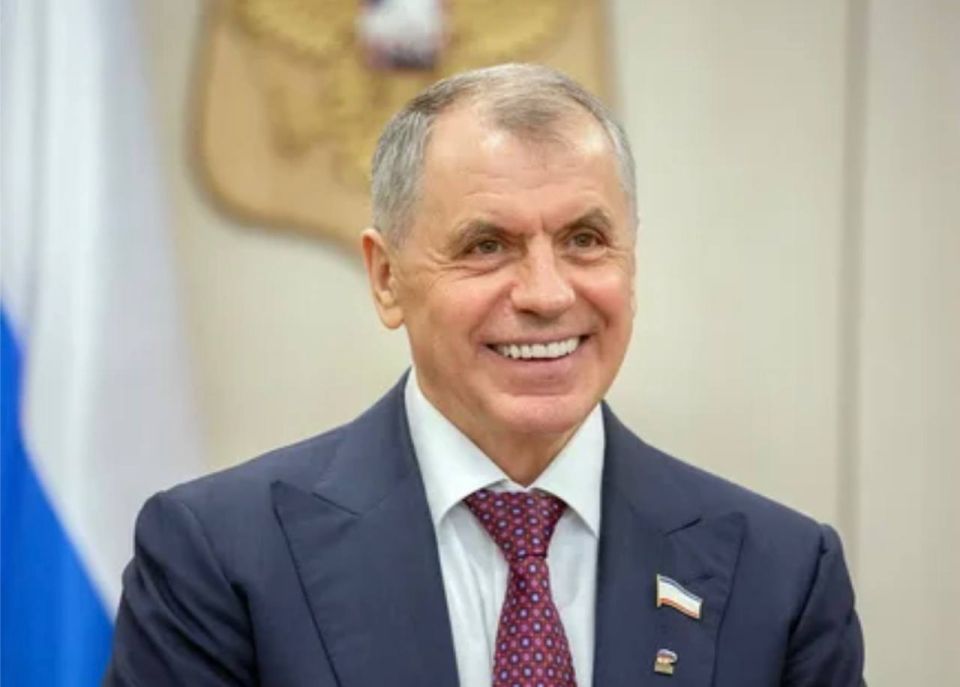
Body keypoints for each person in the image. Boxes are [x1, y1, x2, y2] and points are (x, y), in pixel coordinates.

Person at [106, 64, 864, 686]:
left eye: (585, 239)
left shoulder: (784, 575)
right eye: (486, 246)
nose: (546, 294)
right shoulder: (219, 557)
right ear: (387, 278)